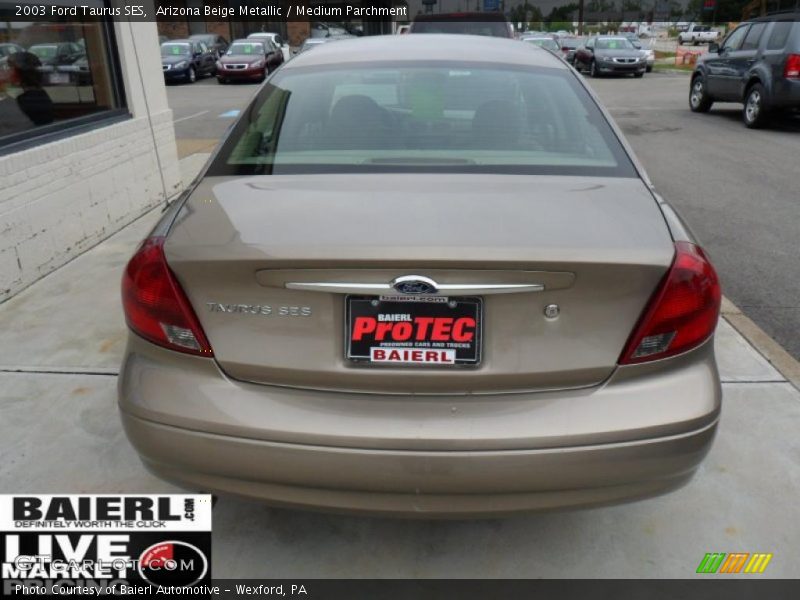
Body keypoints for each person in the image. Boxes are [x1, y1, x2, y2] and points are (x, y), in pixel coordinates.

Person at [0, 51, 54, 137]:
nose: (4, 71)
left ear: (16, 73)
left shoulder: (25, 101)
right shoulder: (39, 95)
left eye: (8, 67)